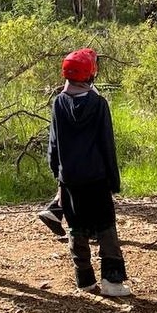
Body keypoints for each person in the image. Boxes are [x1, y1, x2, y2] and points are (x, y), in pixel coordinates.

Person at [47, 48, 131, 296]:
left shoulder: (59, 102)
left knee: (76, 227)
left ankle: (84, 279)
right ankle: (112, 281)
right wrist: (113, 180)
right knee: (105, 227)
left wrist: (57, 172)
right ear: (91, 74)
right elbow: (107, 144)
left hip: (70, 179)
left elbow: (53, 142)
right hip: (96, 178)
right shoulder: (98, 104)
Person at [38, 48, 99, 240]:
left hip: (68, 161)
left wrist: (55, 162)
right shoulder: (92, 97)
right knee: (88, 195)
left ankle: (55, 211)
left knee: (72, 188)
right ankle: (90, 228)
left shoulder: (62, 97)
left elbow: (55, 136)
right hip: (89, 163)